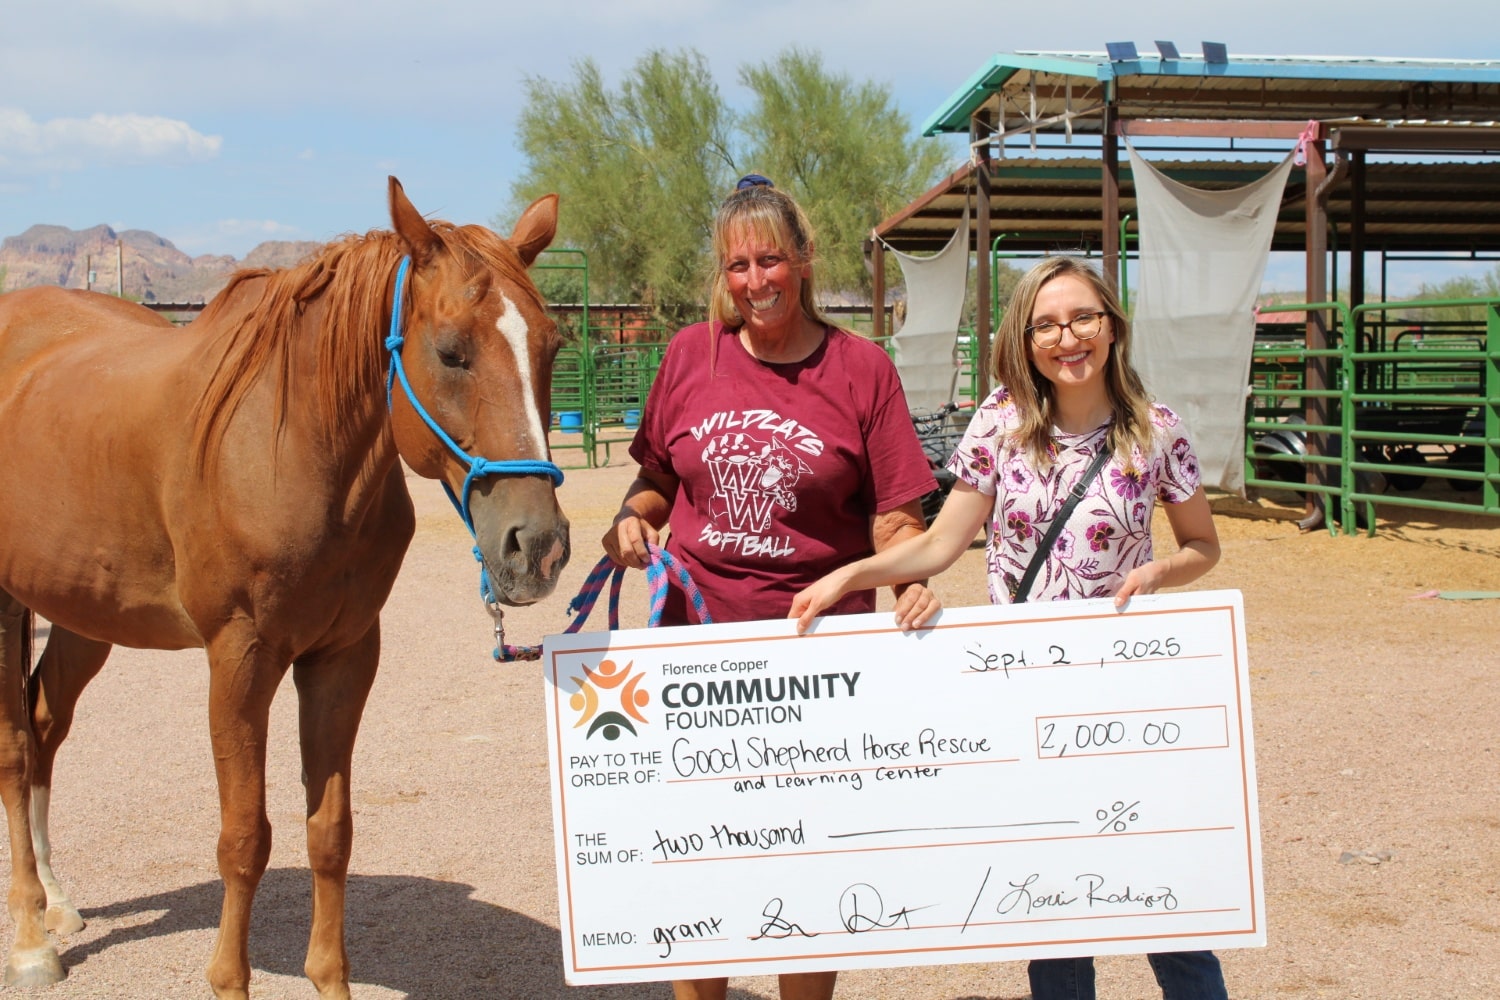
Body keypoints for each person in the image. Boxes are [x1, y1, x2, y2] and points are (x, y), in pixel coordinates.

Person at [788, 254, 1227, 1000]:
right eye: (1045, 325)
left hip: (1125, 694)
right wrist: (848, 576)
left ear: (1111, 326)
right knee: (1053, 913)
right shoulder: (1000, 423)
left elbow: (1203, 546)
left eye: (1082, 318)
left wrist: (1159, 572)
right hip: (1026, 699)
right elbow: (938, 542)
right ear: (1024, 342)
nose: (1067, 338)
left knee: (1164, 890)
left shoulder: (1156, 432)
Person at [602, 174, 940, 1000]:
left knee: (805, 861)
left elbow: (898, 517)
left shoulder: (861, 369)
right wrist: (629, 522)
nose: (756, 281)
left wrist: (907, 586)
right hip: (693, 654)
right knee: (694, 856)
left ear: (804, 259)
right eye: (738, 265)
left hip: (815, 658)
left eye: (771, 260)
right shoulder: (689, 354)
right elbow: (653, 478)